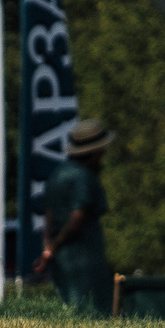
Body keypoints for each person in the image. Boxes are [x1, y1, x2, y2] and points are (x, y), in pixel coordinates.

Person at [33, 117, 114, 314]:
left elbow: (49, 215)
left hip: (63, 259)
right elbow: (77, 218)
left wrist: (48, 247)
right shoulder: (83, 177)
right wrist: (55, 244)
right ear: (94, 152)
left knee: (72, 308)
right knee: (94, 310)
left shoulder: (57, 174)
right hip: (84, 257)